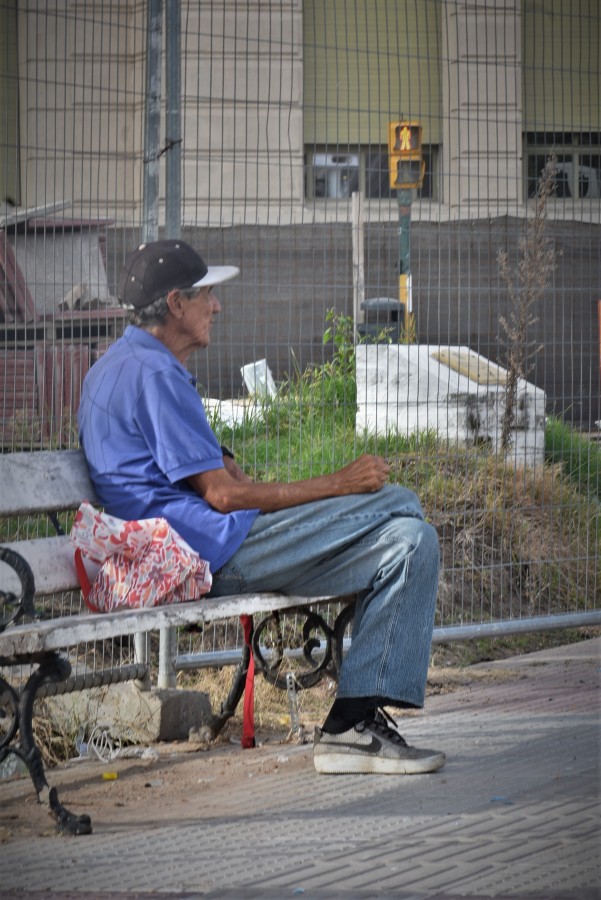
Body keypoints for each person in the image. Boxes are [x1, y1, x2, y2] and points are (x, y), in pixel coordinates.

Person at [78, 239, 445, 776]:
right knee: (399, 501)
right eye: (208, 295)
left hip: (203, 544)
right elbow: (223, 495)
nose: (217, 307)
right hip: (208, 554)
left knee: (415, 542)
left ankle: (352, 725)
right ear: (176, 303)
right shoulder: (153, 373)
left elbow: (212, 473)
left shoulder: (124, 364)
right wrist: (338, 482)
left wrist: (225, 462)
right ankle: (353, 728)